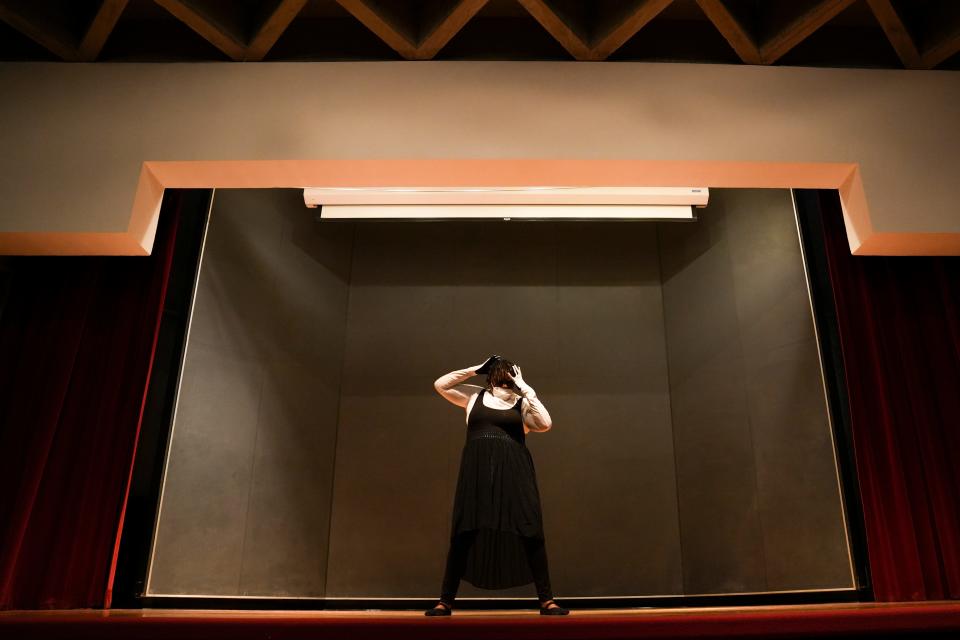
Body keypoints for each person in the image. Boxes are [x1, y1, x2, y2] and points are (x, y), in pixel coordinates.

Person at [425, 355, 569, 616]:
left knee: (530, 530)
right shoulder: (474, 398)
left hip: (515, 473)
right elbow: (440, 384)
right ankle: (444, 601)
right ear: (490, 376)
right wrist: (473, 369)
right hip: (477, 474)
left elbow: (545, 424)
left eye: (509, 373)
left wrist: (526, 389)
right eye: (498, 372)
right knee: (464, 531)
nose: (503, 376)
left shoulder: (522, 403)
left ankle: (547, 601)